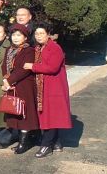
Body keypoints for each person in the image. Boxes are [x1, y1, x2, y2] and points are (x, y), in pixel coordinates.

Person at [23, 22, 71, 158]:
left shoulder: (54, 48)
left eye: (42, 33)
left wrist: (33, 66)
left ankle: (46, 145)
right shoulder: (38, 48)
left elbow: (52, 67)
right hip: (43, 87)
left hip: (53, 87)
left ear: (48, 34)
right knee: (49, 115)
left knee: (50, 116)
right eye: (37, 34)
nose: (38, 36)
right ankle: (56, 142)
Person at [1, 24, 40, 154]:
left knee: (24, 114)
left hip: (24, 86)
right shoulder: (9, 49)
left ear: (25, 37)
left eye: (19, 35)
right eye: (14, 35)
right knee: (14, 113)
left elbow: (24, 69)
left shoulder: (29, 50)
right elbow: (4, 67)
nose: (16, 38)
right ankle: (20, 140)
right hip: (11, 86)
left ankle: (24, 143)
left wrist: (9, 80)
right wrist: (5, 80)